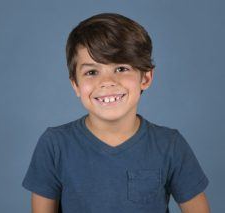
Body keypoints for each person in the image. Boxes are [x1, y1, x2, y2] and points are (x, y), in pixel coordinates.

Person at [22, 13, 210, 213]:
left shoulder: (170, 145)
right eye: (92, 72)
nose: (107, 82)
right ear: (75, 85)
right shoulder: (54, 145)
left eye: (121, 68)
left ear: (145, 78)